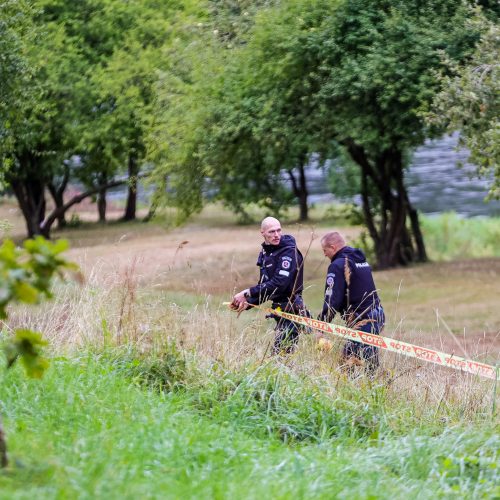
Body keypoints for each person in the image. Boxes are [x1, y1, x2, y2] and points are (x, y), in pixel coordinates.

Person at [231, 217, 308, 354]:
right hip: (279, 309)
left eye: (279, 230)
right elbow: (266, 285)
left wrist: (247, 292)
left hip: (291, 309)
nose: (276, 235)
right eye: (272, 232)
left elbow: (279, 284)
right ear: (263, 233)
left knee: (280, 356)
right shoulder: (266, 252)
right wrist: (249, 302)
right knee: (281, 356)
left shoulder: (288, 251)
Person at [318, 231, 385, 374]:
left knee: (354, 363)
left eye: (325, 250)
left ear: (333, 247)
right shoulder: (359, 259)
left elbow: (332, 300)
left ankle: (372, 389)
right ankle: (366, 387)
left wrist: (321, 326)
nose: (324, 254)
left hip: (364, 319)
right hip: (378, 313)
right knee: (359, 360)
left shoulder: (337, 265)